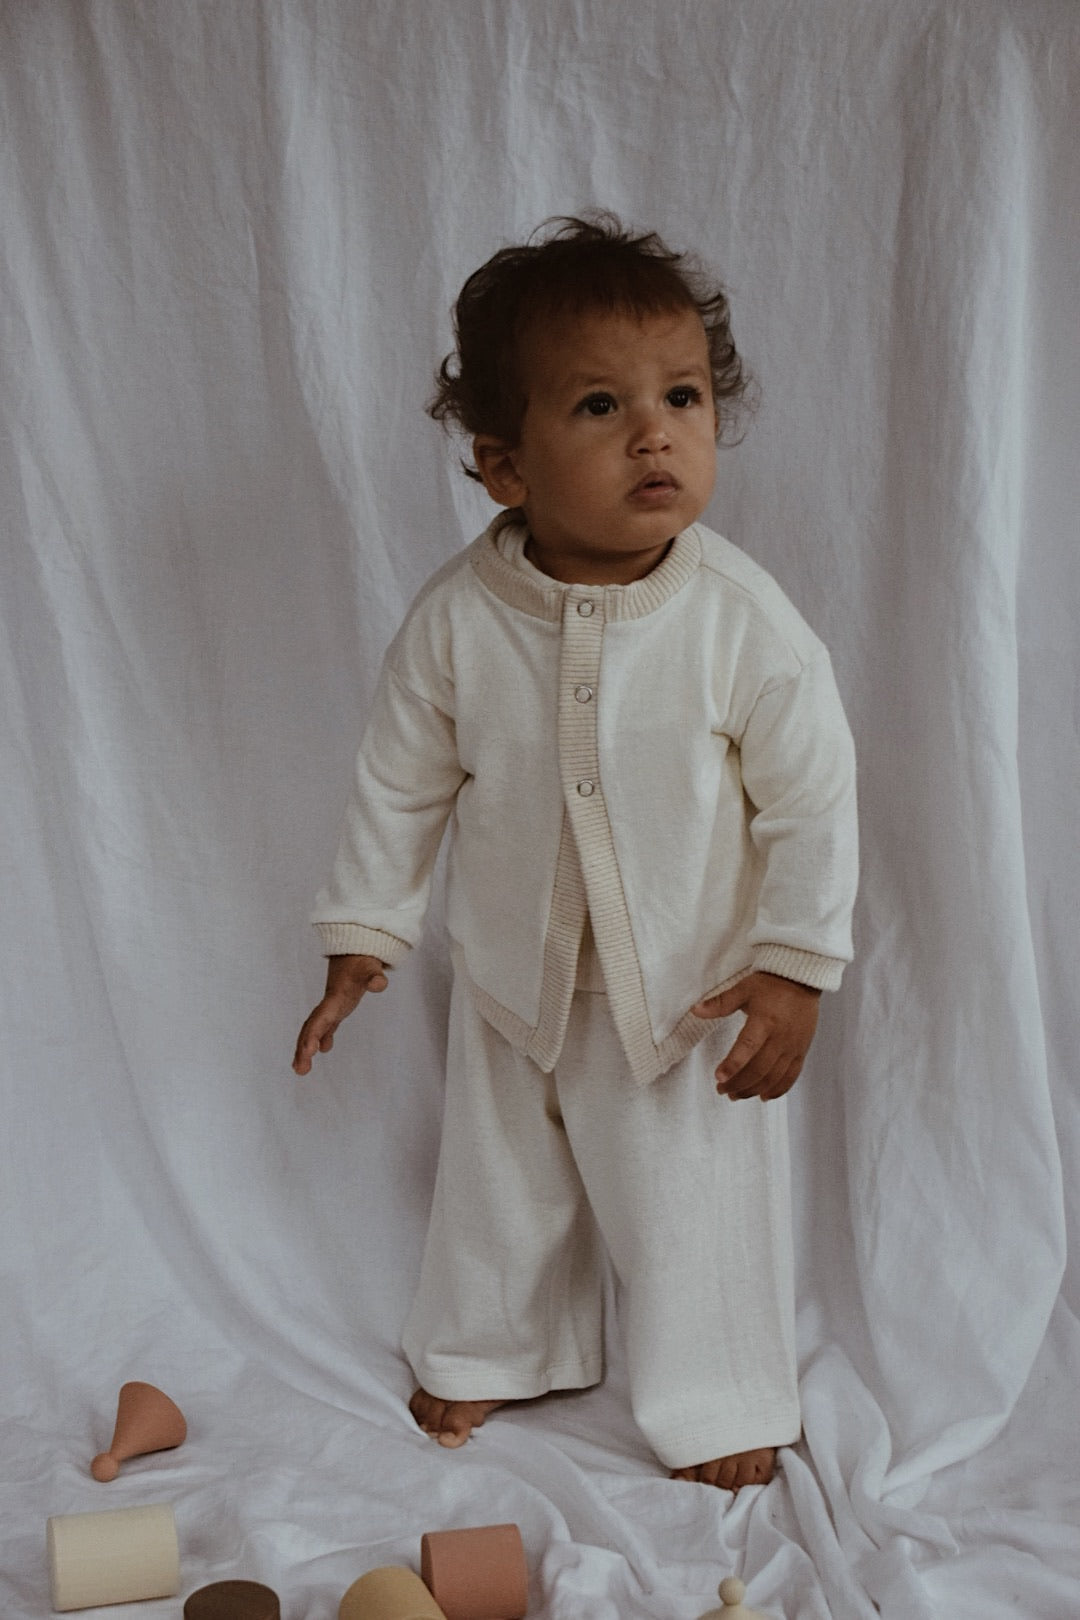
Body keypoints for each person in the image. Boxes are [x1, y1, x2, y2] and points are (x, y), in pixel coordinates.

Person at [293, 215, 858, 1492]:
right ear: (505, 464)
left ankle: (719, 1392)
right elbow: (400, 781)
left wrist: (793, 965)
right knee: (499, 1183)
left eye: (682, 398)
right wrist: (364, 933)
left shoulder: (741, 622)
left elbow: (813, 803)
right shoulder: (457, 620)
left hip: (687, 990)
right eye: (602, 406)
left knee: (692, 1200)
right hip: (514, 971)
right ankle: (496, 1346)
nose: (656, 434)